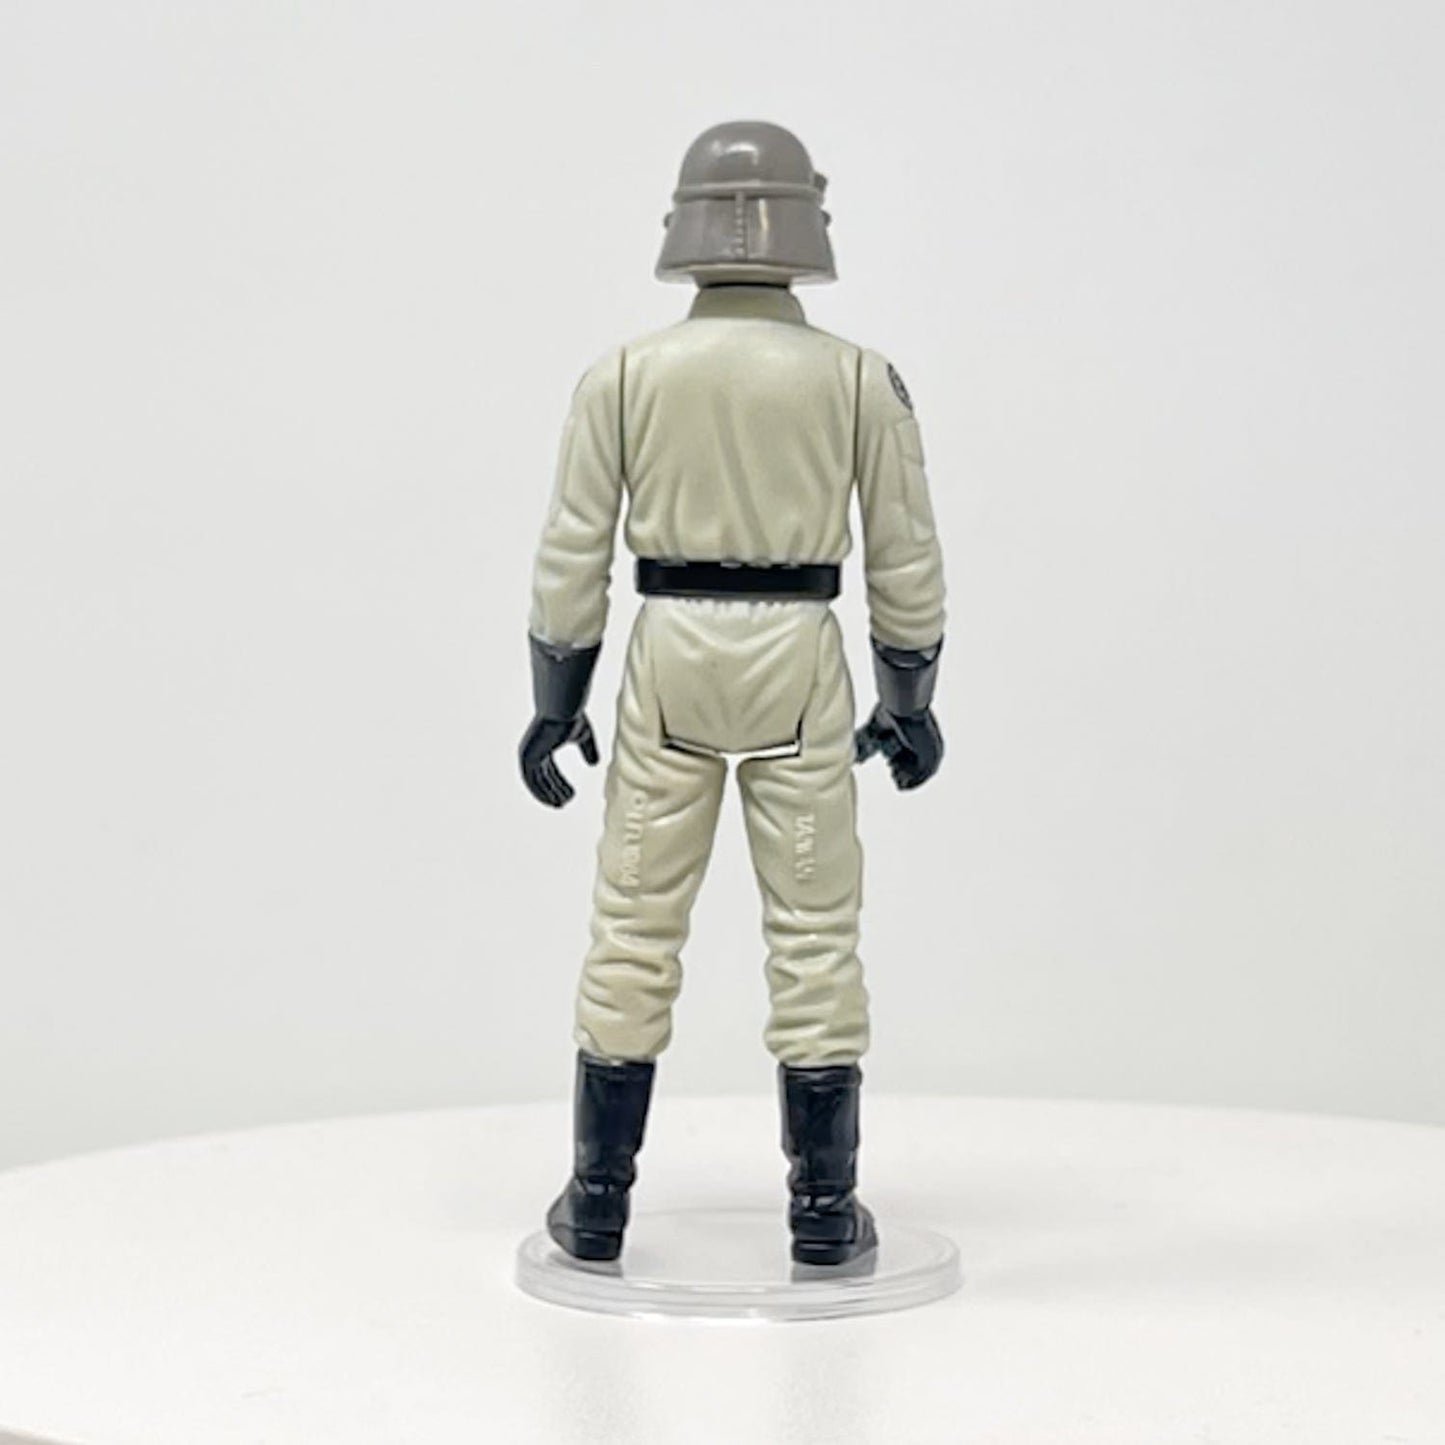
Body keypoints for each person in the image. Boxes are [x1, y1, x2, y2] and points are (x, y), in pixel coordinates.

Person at [519, 120, 946, 1266]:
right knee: (814, 930)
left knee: (631, 926)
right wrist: (907, 692)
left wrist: (557, 696)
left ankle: (597, 1197)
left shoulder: (622, 375)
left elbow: (571, 549)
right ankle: (822, 1205)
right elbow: (904, 551)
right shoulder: (857, 377)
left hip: (669, 653)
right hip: (797, 654)